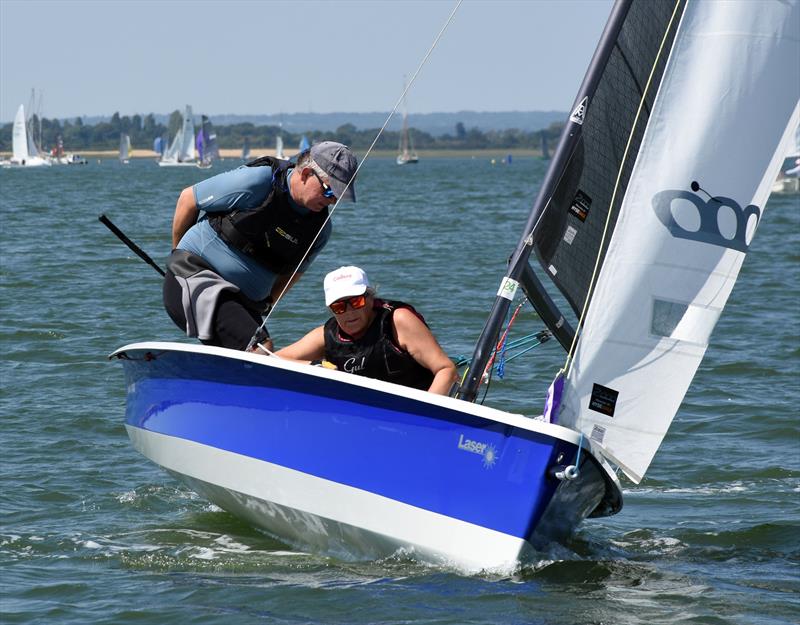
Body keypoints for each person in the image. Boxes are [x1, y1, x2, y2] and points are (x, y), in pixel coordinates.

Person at [162, 141, 358, 352]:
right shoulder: (259, 181)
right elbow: (188, 199)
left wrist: (266, 303)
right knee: (260, 349)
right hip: (195, 278)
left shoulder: (320, 230)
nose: (332, 201)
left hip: (241, 305)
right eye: (329, 192)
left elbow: (292, 275)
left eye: (339, 196)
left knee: (260, 355)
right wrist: (177, 259)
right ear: (306, 173)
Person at [275, 266, 458, 395]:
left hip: (414, 414)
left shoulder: (398, 321)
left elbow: (446, 369)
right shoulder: (326, 335)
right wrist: (315, 367)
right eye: (339, 307)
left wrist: (423, 416)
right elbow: (272, 360)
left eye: (356, 302)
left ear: (370, 297)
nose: (349, 312)